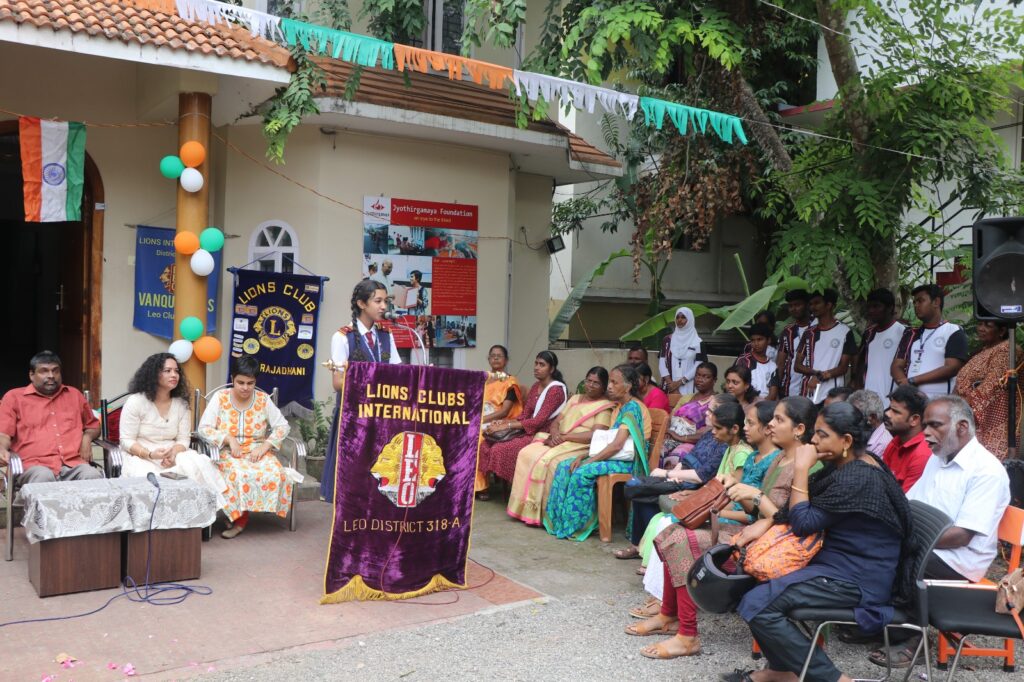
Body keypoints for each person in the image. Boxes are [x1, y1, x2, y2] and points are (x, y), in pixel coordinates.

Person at [728, 402, 913, 682]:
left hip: (858, 580)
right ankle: (783, 672)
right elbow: (801, 507)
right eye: (815, 433)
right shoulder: (846, 464)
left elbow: (803, 524)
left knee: (758, 604)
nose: (813, 441)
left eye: (822, 435)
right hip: (837, 565)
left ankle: (833, 679)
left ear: (846, 440)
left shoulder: (860, 477)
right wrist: (767, 521)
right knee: (754, 585)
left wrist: (802, 469)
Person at [629, 399, 804, 649]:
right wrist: (735, 492)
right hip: (753, 529)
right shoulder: (778, 459)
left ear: (799, 428)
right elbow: (754, 509)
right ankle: (669, 615)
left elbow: (786, 519)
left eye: (778, 420)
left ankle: (687, 635)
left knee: (681, 540)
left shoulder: (798, 463)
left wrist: (747, 497)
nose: (771, 426)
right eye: (772, 419)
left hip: (768, 540)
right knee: (670, 531)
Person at [869, 395, 1010, 670]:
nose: (926, 433)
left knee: (892, 560)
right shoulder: (940, 457)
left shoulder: (987, 471)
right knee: (871, 548)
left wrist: (905, 541)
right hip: (930, 546)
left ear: (962, 428)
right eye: (925, 425)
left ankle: (913, 639)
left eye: (935, 426)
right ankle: (884, 622)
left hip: (960, 559)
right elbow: (910, 506)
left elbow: (962, 536)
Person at [618, 396, 754, 562]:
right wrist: (676, 475)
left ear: (733, 427)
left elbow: (716, 484)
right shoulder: (719, 441)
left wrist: (688, 491)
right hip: (694, 487)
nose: (707, 414)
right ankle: (640, 549)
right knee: (640, 493)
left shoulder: (734, 450)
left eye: (711, 411)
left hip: (702, 490)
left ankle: (650, 558)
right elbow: (693, 459)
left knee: (660, 514)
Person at [544, 364, 651, 541]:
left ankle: (579, 526)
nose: (609, 386)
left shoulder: (632, 408)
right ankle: (559, 522)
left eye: (614, 383)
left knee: (581, 472)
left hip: (629, 461)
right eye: (610, 382)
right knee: (565, 466)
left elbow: (617, 446)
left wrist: (589, 461)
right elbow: (606, 440)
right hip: (615, 455)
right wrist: (582, 456)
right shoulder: (619, 407)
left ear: (628, 386)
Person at [321, 279, 402, 502]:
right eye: (378, 301)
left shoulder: (386, 335)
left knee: (379, 473)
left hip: (382, 414)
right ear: (361, 303)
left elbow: (397, 373)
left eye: (385, 301)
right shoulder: (342, 337)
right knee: (352, 475)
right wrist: (371, 381)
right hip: (354, 416)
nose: (384, 306)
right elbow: (337, 382)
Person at [198, 356, 293, 539]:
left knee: (276, 472)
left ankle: (239, 516)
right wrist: (228, 439)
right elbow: (204, 429)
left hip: (258, 450)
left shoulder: (263, 399)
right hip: (227, 451)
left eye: (250, 383)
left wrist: (265, 446)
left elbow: (283, 426)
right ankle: (239, 520)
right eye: (240, 382)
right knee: (238, 473)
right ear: (232, 379)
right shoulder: (221, 398)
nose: (245, 388)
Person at [506, 367, 615, 525]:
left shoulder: (605, 406)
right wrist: (555, 434)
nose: (590, 385)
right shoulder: (575, 398)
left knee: (549, 463)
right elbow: (557, 421)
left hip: (580, 445)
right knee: (526, 453)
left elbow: (595, 436)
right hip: (560, 439)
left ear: (604, 387)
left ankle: (544, 514)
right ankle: (523, 509)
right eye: (588, 381)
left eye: (596, 383)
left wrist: (564, 437)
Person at [119, 354, 227, 505]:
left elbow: (183, 439)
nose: (174, 375)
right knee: (147, 479)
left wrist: (174, 453)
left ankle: (192, 520)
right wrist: (150, 454)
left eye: (176, 371)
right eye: (167, 371)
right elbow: (126, 440)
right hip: (141, 454)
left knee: (197, 465)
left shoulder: (181, 404)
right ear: (153, 373)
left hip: (172, 453)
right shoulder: (136, 402)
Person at [0, 351, 101, 484]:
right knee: (43, 476)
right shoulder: (14, 398)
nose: (51, 376)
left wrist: (87, 437)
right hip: (32, 466)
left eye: (55, 371)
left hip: (72, 464)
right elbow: (4, 434)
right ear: (31, 375)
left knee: (92, 474)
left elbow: (93, 426)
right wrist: (1, 448)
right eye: (44, 371)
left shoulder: (74, 395)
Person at [479, 351, 568, 497]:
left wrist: (506, 426)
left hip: (541, 432)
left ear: (551, 369)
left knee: (502, 449)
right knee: (486, 443)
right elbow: (525, 415)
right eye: (536, 363)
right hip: (527, 428)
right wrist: (502, 422)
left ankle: (518, 491)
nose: (537, 368)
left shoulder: (555, 390)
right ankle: (485, 487)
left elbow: (538, 421)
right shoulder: (535, 387)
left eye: (542, 365)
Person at [955, 319, 1022, 460]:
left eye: (988, 325)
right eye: (980, 324)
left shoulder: (1006, 349)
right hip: (968, 411)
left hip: (993, 419)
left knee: (988, 464)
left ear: (1002, 331)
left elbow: (991, 386)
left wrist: (957, 407)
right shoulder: (985, 349)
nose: (981, 328)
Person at [891, 284, 969, 398]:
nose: (916, 305)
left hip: (941, 402)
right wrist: (906, 386)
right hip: (913, 402)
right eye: (914, 302)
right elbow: (896, 366)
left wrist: (914, 380)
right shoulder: (911, 334)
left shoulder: (953, 331)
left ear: (936, 302)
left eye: (920, 301)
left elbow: (952, 368)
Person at [474, 345, 524, 495]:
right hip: (481, 419)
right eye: (492, 355)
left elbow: (504, 411)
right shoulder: (484, 380)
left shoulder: (510, 382)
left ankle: (482, 487)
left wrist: (480, 420)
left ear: (506, 360)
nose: (495, 358)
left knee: (476, 440)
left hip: (500, 422)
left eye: (499, 355)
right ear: (488, 359)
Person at [794, 289, 857, 402]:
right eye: (811, 304)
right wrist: (816, 374)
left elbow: (843, 367)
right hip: (810, 391)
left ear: (829, 305)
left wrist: (820, 376)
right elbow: (797, 366)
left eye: (817, 303)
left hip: (835, 394)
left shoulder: (845, 331)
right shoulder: (809, 333)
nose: (813, 307)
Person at [854, 288, 905, 407]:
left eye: (876, 306)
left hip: (893, 399)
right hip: (869, 398)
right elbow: (860, 361)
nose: (871, 311)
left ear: (890, 308)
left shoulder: (903, 332)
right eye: (869, 307)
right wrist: (858, 387)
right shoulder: (869, 333)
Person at [660, 363, 718, 465]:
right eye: (698, 375)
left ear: (714, 380)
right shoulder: (686, 398)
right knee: (658, 451)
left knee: (677, 455)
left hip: (695, 442)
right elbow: (670, 419)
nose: (700, 379)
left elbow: (709, 432)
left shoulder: (716, 402)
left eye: (706, 377)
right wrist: (668, 432)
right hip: (672, 437)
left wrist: (679, 437)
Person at [880, 384, 931, 492]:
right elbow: (881, 482)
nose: (887, 413)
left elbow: (904, 503)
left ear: (914, 419)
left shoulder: (922, 454)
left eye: (895, 411)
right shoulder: (895, 441)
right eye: (889, 408)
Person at [775, 289, 814, 399]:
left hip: (811, 388)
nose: (793, 309)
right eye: (791, 306)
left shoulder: (817, 328)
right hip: (788, 387)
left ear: (807, 305)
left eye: (797, 305)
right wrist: (777, 387)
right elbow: (781, 363)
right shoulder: (788, 331)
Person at [659, 307, 706, 396]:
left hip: (689, 385)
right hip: (669, 386)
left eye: (683, 317)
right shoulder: (667, 340)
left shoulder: (698, 342)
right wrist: (670, 384)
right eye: (677, 317)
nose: (679, 320)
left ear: (690, 320)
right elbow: (662, 363)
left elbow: (699, 365)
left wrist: (680, 382)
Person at [735, 323, 779, 399]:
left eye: (759, 339)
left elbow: (773, 394)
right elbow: (737, 386)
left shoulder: (773, 366)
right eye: (752, 340)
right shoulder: (744, 361)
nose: (756, 343)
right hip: (745, 404)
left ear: (768, 340)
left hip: (766, 406)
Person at [848, 389, 892, 458]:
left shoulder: (883, 443)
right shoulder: (859, 434)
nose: (851, 419)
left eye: (856, 415)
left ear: (872, 417)